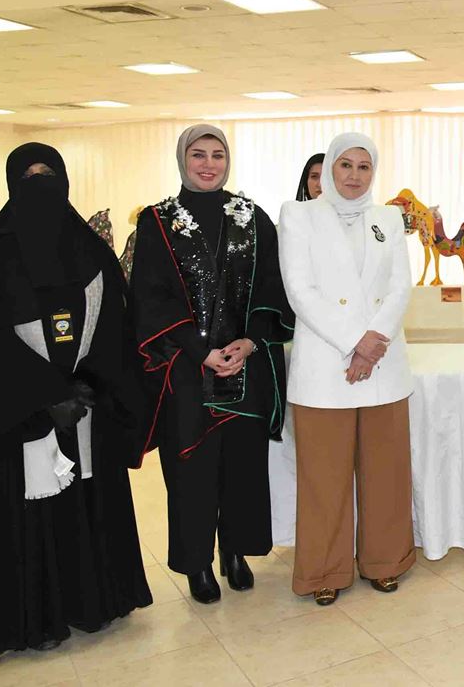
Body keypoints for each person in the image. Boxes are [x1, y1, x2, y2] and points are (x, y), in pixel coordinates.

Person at [0, 143, 151, 659]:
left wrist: (89, 384)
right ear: (10, 183)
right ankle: (35, 616)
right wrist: (50, 394)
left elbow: (117, 323)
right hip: (22, 412)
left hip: (88, 403)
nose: (40, 183)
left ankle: (96, 601)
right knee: (30, 514)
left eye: (49, 174)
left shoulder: (91, 249)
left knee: (90, 506)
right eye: (29, 175)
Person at [130, 125, 293, 604]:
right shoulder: (158, 221)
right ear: (182, 159)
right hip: (186, 367)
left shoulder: (253, 218)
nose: (208, 164)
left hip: (245, 365)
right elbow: (150, 296)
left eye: (217, 155)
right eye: (198, 154)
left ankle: (236, 552)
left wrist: (249, 340)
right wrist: (199, 351)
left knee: (241, 467)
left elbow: (272, 286)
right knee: (192, 472)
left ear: (228, 161)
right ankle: (198, 563)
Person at [278, 132, 416, 605]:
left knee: (386, 473)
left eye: (364, 167)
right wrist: (354, 342)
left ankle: (385, 562)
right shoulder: (298, 216)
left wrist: (372, 343)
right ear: (329, 169)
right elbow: (300, 289)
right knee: (324, 477)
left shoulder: (389, 218)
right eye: (345, 165)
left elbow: (400, 286)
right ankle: (323, 571)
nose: (355, 176)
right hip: (325, 367)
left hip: (383, 366)